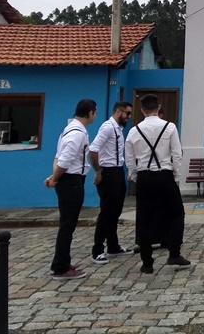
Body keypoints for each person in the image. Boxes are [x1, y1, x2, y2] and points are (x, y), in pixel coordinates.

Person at [125, 94, 190, 274]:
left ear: (142, 109)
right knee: (177, 213)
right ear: (159, 107)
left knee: (144, 218)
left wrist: (136, 177)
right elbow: (177, 154)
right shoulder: (169, 128)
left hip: (144, 177)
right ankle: (174, 253)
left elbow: (129, 159)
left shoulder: (133, 131)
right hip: (165, 175)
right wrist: (176, 177)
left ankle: (147, 262)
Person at [44, 98, 97, 281]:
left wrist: (54, 177)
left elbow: (58, 158)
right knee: (67, 226)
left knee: (67, 225)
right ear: (90, 112)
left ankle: (63, 262)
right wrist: (56, 178)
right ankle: (61, 267)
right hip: (72, 182)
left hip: (66, 180)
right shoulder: (77, 134)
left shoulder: (69, 130)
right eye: (94, 113)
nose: (94, 116)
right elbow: (64, 161)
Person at [88, 101, 134, 265]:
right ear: (118, 112)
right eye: (127, 113)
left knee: (115, 211)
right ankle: (97, 249)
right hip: (108, 172)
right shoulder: (108, 127)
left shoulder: (118, 129)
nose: (128, 117)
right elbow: (93, 150)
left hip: (117, 171)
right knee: (106, 212)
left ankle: (113, 245)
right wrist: (98, 171)